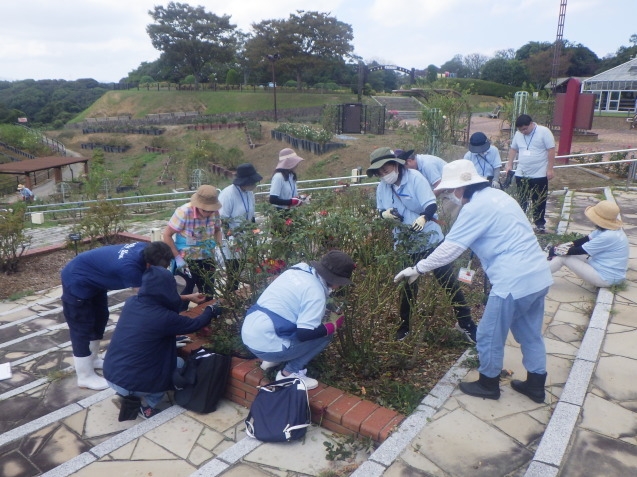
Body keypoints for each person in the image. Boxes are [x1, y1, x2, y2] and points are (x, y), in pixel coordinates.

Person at [394, 159, 553, 403]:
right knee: (531, 334)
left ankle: (488, 385)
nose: (450, 196)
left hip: (512, 282)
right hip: (538, 276)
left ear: (460, 188)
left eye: (450, 191)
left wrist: (418, 268)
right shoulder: (500, 197)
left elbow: (450, 248)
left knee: (489, 335)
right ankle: (536, 385)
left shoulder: (475, 207)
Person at [367, 147, 477, 342]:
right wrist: (384, 214)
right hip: (404, 243)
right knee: (408, 286)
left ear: (395, 165)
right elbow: (380, 210)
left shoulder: (415, 178)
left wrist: (424, 218)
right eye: (380, 173)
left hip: (429, 240)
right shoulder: (383, 187)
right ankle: (404, 327)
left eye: (387, 170)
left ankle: (467, 324)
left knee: (447, 282)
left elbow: (430, 203)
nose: (385, 175)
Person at [61, 241, 202, 390]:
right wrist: (183, 304)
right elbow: (150, 300)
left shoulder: (149, 250)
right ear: (148, 265)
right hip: (76, 281)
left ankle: (94, 359)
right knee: (81, 329)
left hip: (96, 282)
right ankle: (85, 376)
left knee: (100, 319)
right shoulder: (130, 269)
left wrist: (188, 297)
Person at [103, 265, 222, 419]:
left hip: (111, 374)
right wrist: (210, 311)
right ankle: (147, 407)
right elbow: (195, 324)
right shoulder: (164, 317)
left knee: (146, 363)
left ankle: (125, 393)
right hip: (132, 382)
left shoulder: (132, 302)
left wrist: (188, 297)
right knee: (178, 364)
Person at [241, 250, 355, 390]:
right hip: (266, 346)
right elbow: (304, 334)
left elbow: (289, 306)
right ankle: (288, 374)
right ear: (336, 280)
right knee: (325, 335)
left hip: (249, 334)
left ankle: (270, 360)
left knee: (287, 321)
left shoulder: (297, 270)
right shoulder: (316, 293)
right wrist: (332, 327)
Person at [163, 184, 224, 311]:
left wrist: (218, 248)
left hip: (207, 257)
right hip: (186, 259)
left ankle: (204, 320)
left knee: (208, 292)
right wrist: (177, 257)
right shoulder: (184, 212)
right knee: (186, 291)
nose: (208, 213)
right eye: (205, 210)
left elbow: (217, 231)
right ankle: (180, 320)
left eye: (211, 210)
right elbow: (167, 235)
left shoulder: (215, 213)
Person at [548, 200, 628, 287]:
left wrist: (557, 250)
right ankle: (543, 269)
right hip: (605, 269)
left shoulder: (608, 236)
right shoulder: (610, 230)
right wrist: (562, 247)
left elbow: (579, 250)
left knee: (563, 258)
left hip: (606, 278)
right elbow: (583, 240)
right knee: (563, 252)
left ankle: (538, 277)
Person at [506, 114, 556, 234]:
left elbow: (551, 150)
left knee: (538, 199)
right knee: (522, 199)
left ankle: (539, 224)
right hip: (522, 173)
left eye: (525, 129)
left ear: (531, 124)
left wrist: (550, 169)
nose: (523, 132)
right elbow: (513, 149)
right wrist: (509, 164)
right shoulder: (519, 135)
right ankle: (522, 223)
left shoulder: (544, 132)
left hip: (539, 173)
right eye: (520, 130)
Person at [219, 163, 263, 291]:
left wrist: (255, 233)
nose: (255, 185)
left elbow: (251, 216)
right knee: (233, 276)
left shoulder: (249, 193)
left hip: (246, 239)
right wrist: (231, 238)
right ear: (246, 182)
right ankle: (229, 302)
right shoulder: (228, 195)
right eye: (254, 182)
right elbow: (222, 220)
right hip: (232, 241)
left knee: (248, 272)